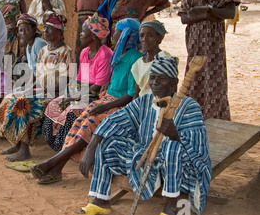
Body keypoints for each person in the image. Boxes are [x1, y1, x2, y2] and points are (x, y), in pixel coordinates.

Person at [73, 56, 212, 215]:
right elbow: (114, 120)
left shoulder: (189, 107)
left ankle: (172, 207)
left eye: (160, 78)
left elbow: (197, 147)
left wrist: (174, 134)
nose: (154, 83)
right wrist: (91, 147)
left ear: (174, 83)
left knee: (171, 147)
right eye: (152, 77)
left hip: (183, 164)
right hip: (146, 156)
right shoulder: (144, 101)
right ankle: (100, 200)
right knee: (108, 142)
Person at [31, 19, 170, 184]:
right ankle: (57, 167)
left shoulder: (135, 58)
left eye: (117, 31)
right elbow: (115, 82)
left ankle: (53, 164)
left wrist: (107, 105)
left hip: (119, 103)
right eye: (142, 35)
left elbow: (131, 94)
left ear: (125, 34)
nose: (114, 35)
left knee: (89, 124)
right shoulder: (122, 55)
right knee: (79, 124)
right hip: (107, 98)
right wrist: (106, 88)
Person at [0, 11, 74, 161]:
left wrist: (38, 90)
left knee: (23, 104)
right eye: (44, 28)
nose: (45, 31)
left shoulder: (66, 52)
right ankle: (16, 142)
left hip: (55, 94)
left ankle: (24, 150)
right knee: (11, 97)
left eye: (49, 28)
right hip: (42, 91)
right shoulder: (44, 50)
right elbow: (39, 76)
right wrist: (31, 88)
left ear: (59, 31)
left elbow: (65, 82)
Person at [179, 0, 240, 121]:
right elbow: (184, 18)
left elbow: (229, 12)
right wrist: (209, 13)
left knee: (215, 81)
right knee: (194, 79)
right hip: (195, 44)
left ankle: (217, 119)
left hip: (214, 46)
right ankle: (194, 119)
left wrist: (204, 10)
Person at [42, 16, 113, 154]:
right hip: (83, 90)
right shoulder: (85, 52)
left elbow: (97, 86)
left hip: (96, 95)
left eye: (83, 31)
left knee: (71, 110)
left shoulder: (105, 55)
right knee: (53, 104)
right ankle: (55, 143)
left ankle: (65, 147)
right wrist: (69, 95)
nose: (80, 34)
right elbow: (81, 79)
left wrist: (73, 98)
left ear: (93, 35)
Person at [74, 0, 105, 64]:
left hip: (93, 32)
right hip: (81, 31)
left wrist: (102, 35)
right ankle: (82, 76)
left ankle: (94, 76)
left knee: (94, 52)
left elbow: (103, 16)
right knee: (81, 54)